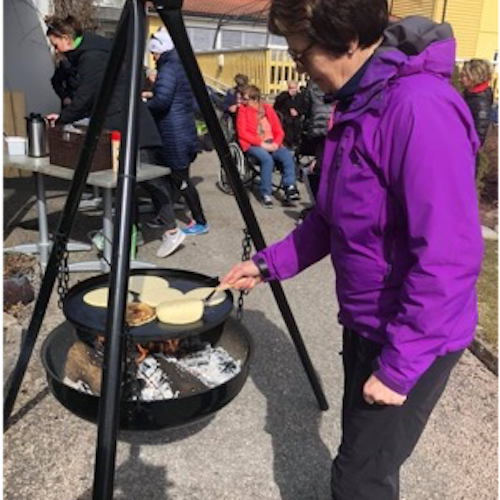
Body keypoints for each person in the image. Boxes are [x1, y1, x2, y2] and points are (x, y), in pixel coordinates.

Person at [221, 3, 483, 500]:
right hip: (366, 321)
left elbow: (448, 257)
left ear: (344, 40)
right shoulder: (358, 101)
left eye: (302, 56)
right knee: (362, 455)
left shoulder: (418, 109)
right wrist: (265, 264)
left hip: (411, 336)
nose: (300, 69)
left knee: (360, 479)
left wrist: (400, 367)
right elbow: (329, 217)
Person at [45, 16, 186, 259]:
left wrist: (61, 119)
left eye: (55, 43)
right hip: (122, 123)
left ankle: (172, 230)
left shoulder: (92, 57)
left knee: (149, 180)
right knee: (126, 182)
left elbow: (85, 96)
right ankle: (130, 233)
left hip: (132, 125)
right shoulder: (92, 52)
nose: (55, 49)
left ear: (66, 40)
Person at [147, 31, 209, 237]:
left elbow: (162, 101)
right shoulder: (180, 66)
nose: (153, 57)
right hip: (182, 127)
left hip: (173, 132)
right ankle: (165, 214)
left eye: (153, 52)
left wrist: (144, 103)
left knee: (180, 178)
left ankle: (200, 221)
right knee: (175, 177)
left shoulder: (168, 68)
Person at [236, 85, 300, 208]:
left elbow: (279, 130)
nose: (243, 102)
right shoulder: (243, 111)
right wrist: (262, 144)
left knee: (287, 156)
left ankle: (290, 187)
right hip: (253, 143)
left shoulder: (267, 109)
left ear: (254, 99)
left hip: (271, 142)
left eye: (245, 99)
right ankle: (266, 193)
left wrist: (276, 143)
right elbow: (243, 133)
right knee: (267, 160)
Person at [460, 59, 494, 146]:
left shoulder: (480, 103)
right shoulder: (470, 93)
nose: (460, 79)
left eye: (464, 76)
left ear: (473, 78)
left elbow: (479, 135)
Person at [273, 81, 305, 151]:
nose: (292, 90)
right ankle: (288, 143)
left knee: (297, 123)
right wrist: (287, 95)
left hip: (297, 117)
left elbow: (305, 107)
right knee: (288, 123)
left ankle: (296, 143)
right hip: (285, 116)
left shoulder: (301, 97)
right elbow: (277, 105)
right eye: (290, 88)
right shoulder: (284, 96)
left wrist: (298, 112)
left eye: (294, 88)